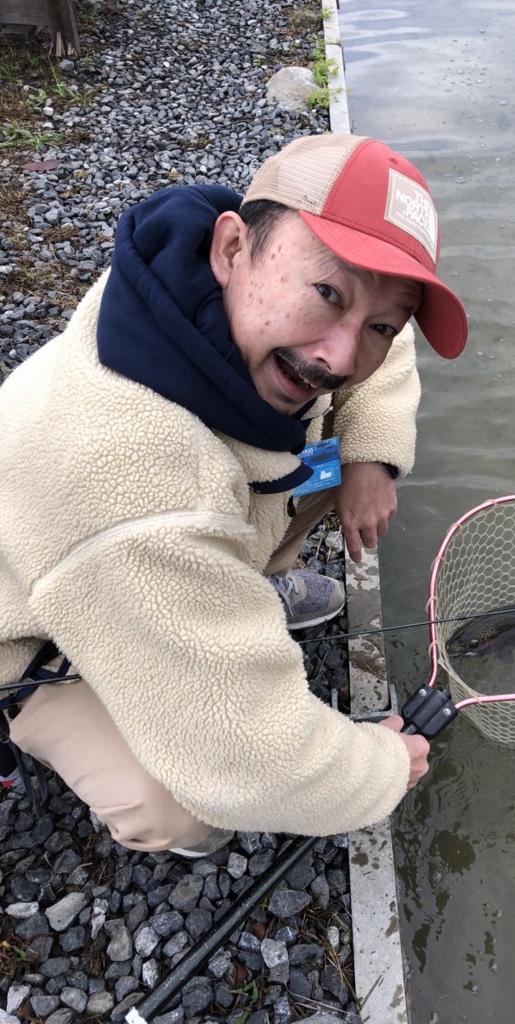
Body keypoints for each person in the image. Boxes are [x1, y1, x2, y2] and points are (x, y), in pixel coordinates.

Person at [0, 132, 467, 855]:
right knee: (183, 807)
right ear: (230, 248)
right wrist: (377, 768)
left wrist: (371, 455)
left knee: (331, 448)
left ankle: (223, 600)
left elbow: (385, 335)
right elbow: (247, 758)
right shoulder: (143, 490)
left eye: (371, 323)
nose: (340, 356)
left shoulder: (194, 288)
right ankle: (148, 670)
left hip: (134, 554)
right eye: (326, 294)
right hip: (35, 633)